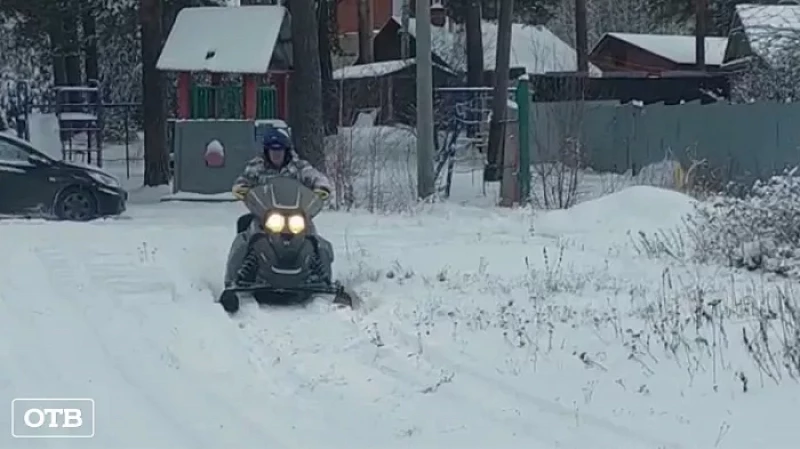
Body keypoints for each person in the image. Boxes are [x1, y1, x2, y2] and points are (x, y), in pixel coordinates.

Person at [231, 127, 332, 233]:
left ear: (286, 151)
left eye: (280, 150)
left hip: (296, 217)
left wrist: (322, 188)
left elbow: (316, 177)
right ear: (267, 151)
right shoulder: (256, 167)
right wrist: (242, 189)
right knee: (248, 234)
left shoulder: (299, 167)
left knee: (313, 238)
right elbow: (242, 181)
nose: (276, 154)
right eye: (273, 150)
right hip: (266, 217)